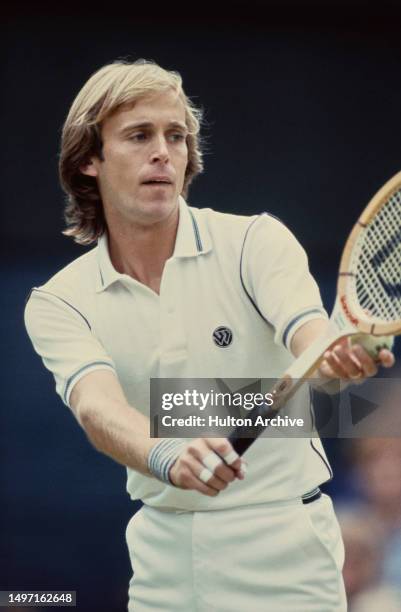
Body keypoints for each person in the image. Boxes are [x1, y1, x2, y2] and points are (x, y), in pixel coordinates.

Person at [24, 59, 395, 611]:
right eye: (138, 135)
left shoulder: (255, 242)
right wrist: (168, 454)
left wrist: (332, 359)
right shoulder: (59, 301)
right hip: (163, 565)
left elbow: (308, 335)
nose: (163, 152)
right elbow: (98, 410)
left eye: (176, 137)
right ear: (88, 162)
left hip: (290, 559)